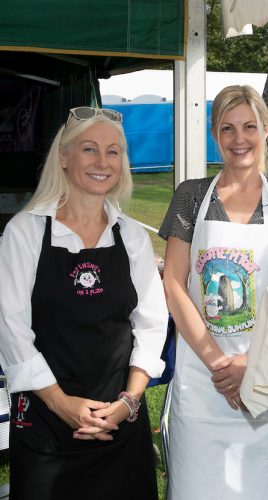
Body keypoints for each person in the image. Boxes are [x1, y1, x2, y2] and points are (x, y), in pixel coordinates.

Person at [0, 107, 168, 499]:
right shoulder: (24, 232)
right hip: (45, 421)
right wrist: (61, 403)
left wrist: (129, 401)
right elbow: (10, 328)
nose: (102, 162)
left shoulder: (131, 236)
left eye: (113, 152)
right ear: (63, 157)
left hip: (120, 419)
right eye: (89, 149)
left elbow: (151, 323)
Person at [159, 85, 268, 500]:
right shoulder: (191, 196)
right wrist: (220, 366)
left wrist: (252, 362)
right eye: (227, 128)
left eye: (248, 126)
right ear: (214, 134)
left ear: (266, 130)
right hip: (204, 381)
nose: (238, 138)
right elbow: (174, 285)